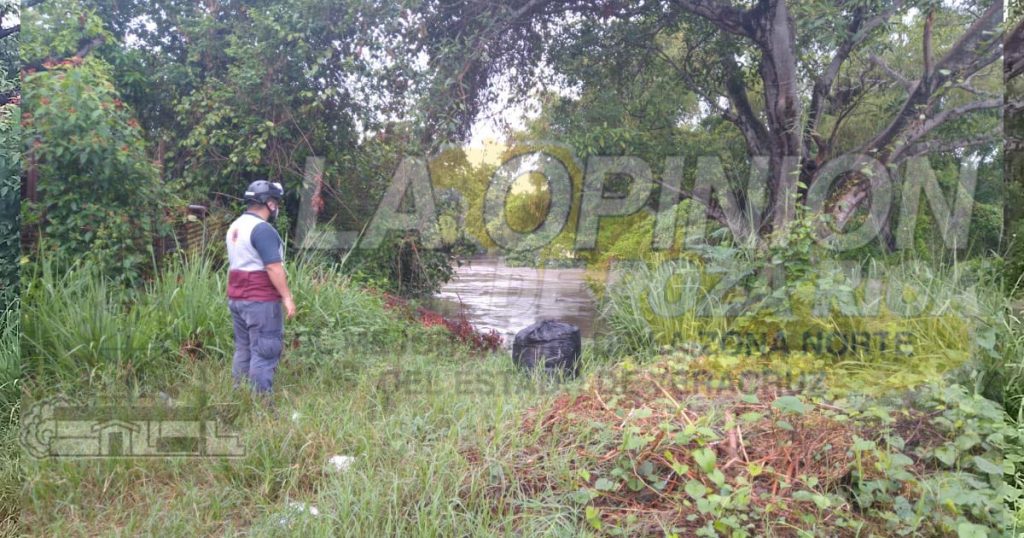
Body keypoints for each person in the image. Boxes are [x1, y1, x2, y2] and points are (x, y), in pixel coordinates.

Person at [225, 180, 296, 395]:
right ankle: (261, 405)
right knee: (265, 351)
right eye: (276, 203)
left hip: (237, 298)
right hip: (260, 301)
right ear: (270, 204)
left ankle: (240, 397)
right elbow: (273, 267)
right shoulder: (262, 229)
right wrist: (287, 297)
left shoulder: (235, 226)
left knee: (244, 349)